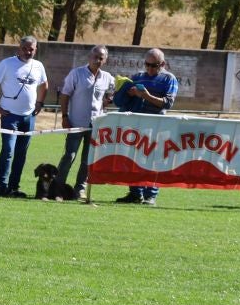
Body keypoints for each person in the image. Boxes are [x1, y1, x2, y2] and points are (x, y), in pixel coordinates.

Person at [113, 47, 178, 205]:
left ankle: (151, 195)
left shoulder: (169, 79)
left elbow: (167, 103)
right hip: (136, 124)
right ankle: (135, 193)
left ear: (162, 64)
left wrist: (146, 96)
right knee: (133, 159)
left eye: (153, 65)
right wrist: (127, 93)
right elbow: (125, 101)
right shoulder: (137, 77)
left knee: (154, 160)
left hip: (157, 125)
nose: (149, 68)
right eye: (146, 64)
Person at [0, 35, 47, 197]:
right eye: (25, 48)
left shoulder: (38, 66)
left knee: (21, 153)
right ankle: (2, 186)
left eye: (31, 49)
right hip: (9, 116)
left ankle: (14, 187)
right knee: (8, 150)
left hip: (29, 117)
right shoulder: (7, 64)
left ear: (35, 50)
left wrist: (40, 103)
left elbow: (44, 85)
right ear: (19, 48)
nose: (28, 51)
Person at [56, 45, 114, 200]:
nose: (97, 60)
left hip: (95, 125)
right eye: (95, 57)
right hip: (75, 122)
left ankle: (79, 189)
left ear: (105, 60)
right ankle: (58, 187)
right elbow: (65, 94)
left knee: (87, 160)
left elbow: (112, 93)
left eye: (101, 58)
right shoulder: (77, 73)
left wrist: (109, 99)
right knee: (70, 155)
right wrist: (64, 116)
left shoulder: (108, 77)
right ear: (89, 57)